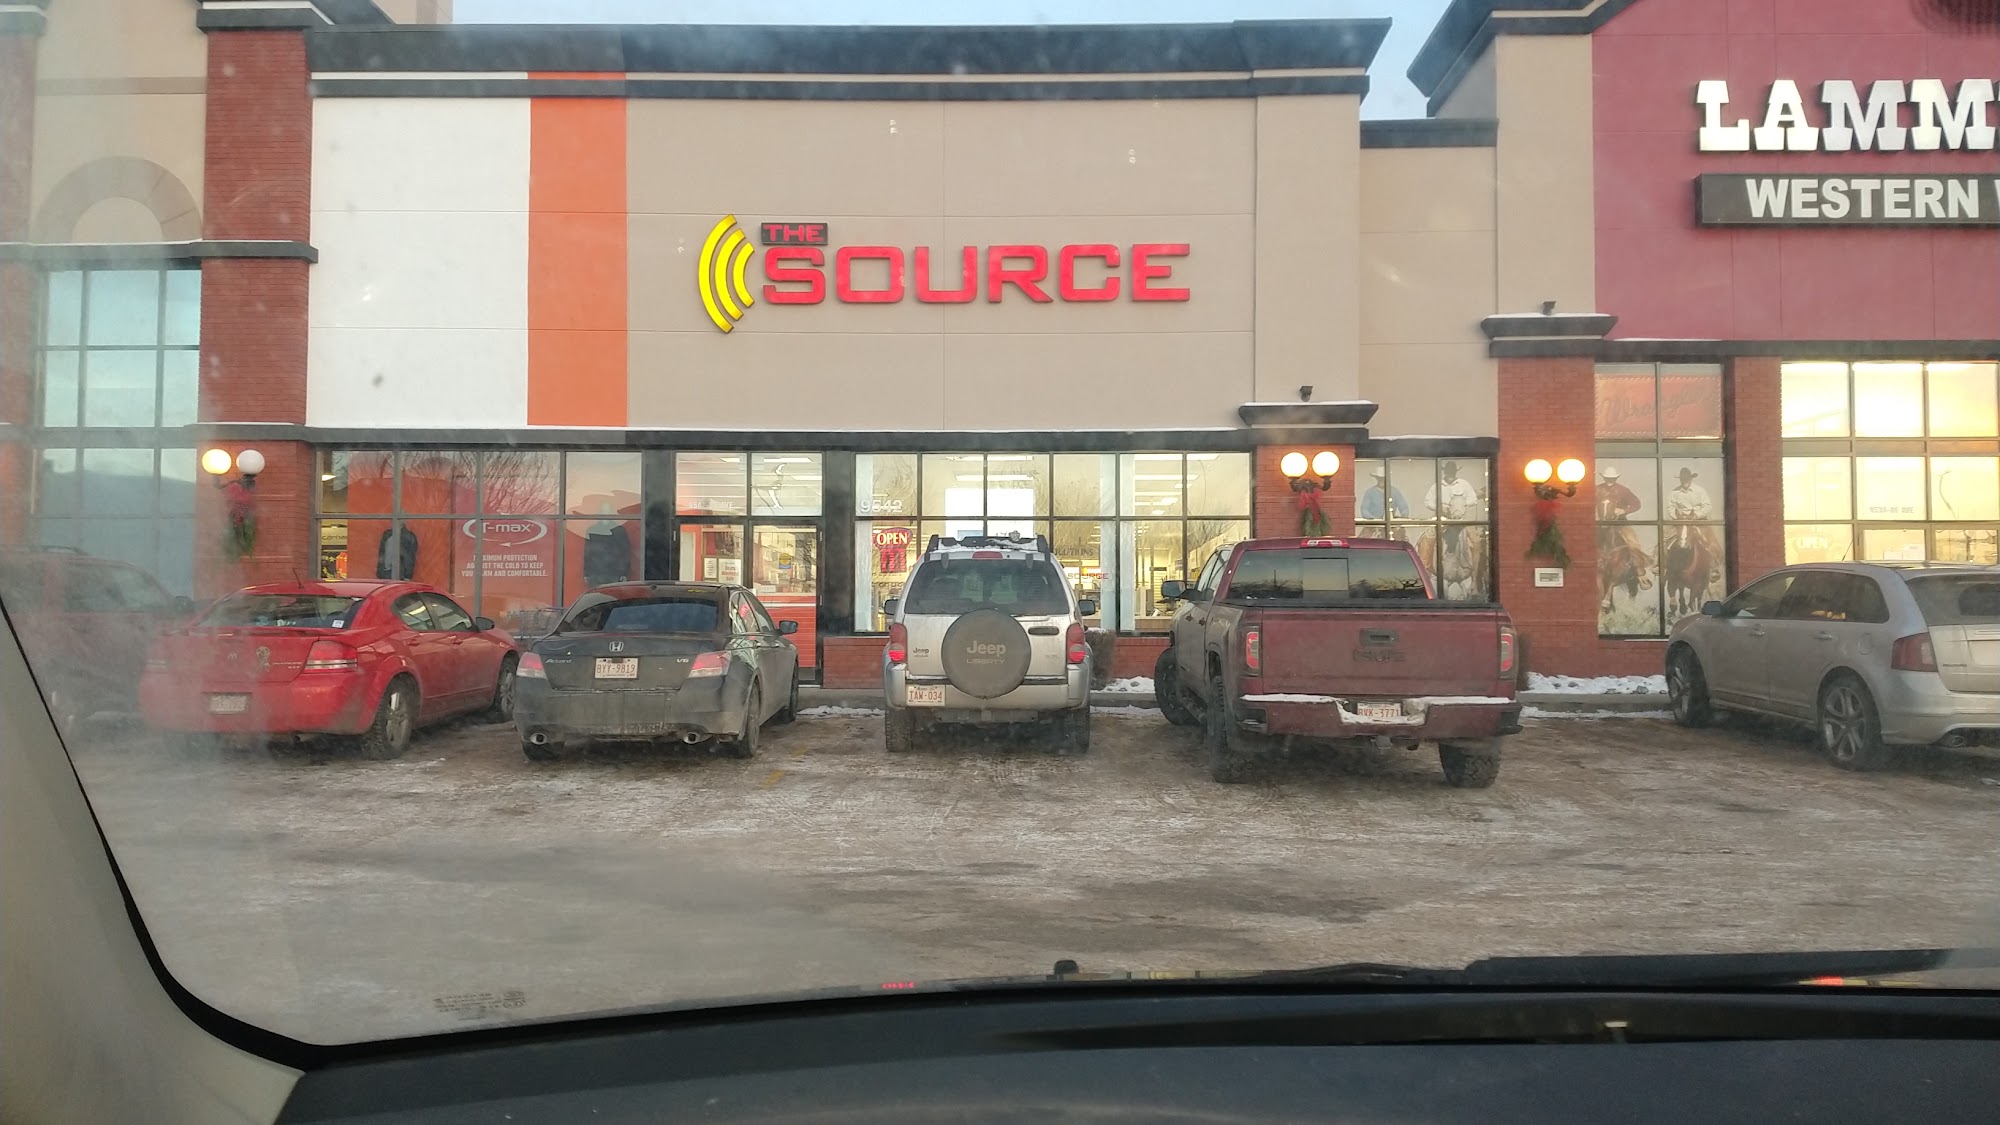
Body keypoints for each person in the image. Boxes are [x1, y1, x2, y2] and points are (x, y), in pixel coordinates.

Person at [1597, 466, 1645, 558]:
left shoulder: (1623, 490)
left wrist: (1623, 510)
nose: (1609, 480)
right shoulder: (1597, 490)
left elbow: (1636, 504)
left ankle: (1638, 562)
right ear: (1604, 478)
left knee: (1632, 542)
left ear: (1616, 478)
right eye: (1607, 478)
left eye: (1612, 478)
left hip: (1620, 522)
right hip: (1600, 522)